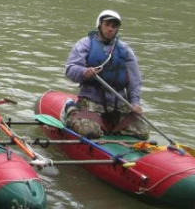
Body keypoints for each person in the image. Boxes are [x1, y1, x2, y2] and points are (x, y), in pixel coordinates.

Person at [64, 9, 149, 139]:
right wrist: (84, 72)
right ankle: (71, 109)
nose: (110, 29)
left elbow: (135, 81)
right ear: (100, 25)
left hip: (118, 103)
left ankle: (114, 128)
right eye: (107, 25)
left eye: (114, 26)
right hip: (92, 100)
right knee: (89, 132)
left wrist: (135, 102)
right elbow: (70, 70)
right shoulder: (85, 44)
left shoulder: (125, 50)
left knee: (142, 132)